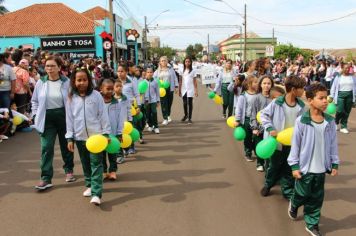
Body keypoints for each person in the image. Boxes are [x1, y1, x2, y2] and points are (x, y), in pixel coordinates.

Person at [287, 83, 339, 236]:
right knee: (302, 194)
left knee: (316, 198)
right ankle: (294, 203)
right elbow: (295, 145)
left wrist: (334, 162)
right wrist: (294, 166)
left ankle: (312, 224)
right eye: (321, 98)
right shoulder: (301, 121)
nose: (325, 101)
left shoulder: (330, 122)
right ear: (310, 100)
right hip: (305, 168)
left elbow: (333, 145)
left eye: (326, 98)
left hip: (321, 169)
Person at [66, 68, 111, 206]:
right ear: (74, 81)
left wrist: (105, 133)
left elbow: (103, 115)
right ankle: (90, 185)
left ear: (89, 81)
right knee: (85, 163)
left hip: (96, 137)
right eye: (79, 80)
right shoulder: (70, 97)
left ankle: (97, 193)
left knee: (96, 164)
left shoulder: (96, 95)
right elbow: (69, 118)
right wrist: (70, 137)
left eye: (85, 80)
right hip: (80, 137)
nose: (82, 83)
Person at [31, 56, 75, 191]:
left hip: (63, 116)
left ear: (59, 67)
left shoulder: (67, 82)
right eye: (47, 66)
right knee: (46, 147)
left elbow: (72, 100)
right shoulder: (41, 82)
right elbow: (35, 101)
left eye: (52, 66)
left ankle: (69, 170)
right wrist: (34, 114)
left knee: (66, 145)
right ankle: (45, 178)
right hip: (47, 118)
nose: (49, 69)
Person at [260, 75, 306, 200]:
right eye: (301, 88)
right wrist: (270, 128)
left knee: (288, 167)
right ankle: (268, 184)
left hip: (292, 143)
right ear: (293, 89)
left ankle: (287, 190)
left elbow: (304, 124)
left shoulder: (301, 106)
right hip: (277, 143)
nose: (303, 91)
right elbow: (264, 115)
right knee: (274, 166)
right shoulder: (277, 102)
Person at [100, 78, 130, 180]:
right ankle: (104, 171)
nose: (110, 91)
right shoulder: (98, 102)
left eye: (111, 89)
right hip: (101, 134)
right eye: (107, 89)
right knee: (102, 155)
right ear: (101, 89)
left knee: (112, 153)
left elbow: (120, 119)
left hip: (113, 134)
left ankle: (112, 171)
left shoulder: (116, 103)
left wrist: (119, 133)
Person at [250, 75, 275, 172]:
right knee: (259, 145)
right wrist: (254, 127)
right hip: (259, 128)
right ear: (260, 85)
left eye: (269, 83)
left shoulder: (274, 98)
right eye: (264, 83)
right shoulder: (256, 98)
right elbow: (253, 114)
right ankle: (259, 163)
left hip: (270, 128)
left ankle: (269, 165)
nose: (266, 86)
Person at [117, 64, 141, 154]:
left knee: (130, 127)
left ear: (126, 72)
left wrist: (138, 106)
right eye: (118, 71)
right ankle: (123, 148)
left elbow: (137, 94)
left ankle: (131, 146)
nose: (119, 73)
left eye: (122, 71)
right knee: (120, 129)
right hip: (117, 109)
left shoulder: (131, 81)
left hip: (130, 109)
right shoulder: (115, 82)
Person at [234, 75, 259, 162]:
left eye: (257, 82)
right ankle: (248, 153)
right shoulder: (243, 96)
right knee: (247, 138)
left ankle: (256, 150)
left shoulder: (259, 95)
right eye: (255, 82)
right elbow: (239, 108)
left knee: (256, 137)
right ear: (249, 84)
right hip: (247, 120)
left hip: (256, 121)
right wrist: (237, 120)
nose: (257, 84)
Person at [330, 62, 356, 134]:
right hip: (340, 95)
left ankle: (343, 127)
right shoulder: (338, 77)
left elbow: (355, 87)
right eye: (346, 68)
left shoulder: (353, 77)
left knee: (347, 112)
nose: (347, 69)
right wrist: (332, 96)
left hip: (350, 95)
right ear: (342, 68)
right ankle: (336, 122)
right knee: (340, 110)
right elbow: (333, 87)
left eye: (348, 68)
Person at [153, 56, 179, 125]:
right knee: (164, 104)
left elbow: (175, 78)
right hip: (161, 89)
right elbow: (153, 79)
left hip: (170, 88)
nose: (163, 62)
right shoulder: (157, 71)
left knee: (169, 103)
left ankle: (168, 115)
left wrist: (176, 86)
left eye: (165, 60)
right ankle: (165, 118)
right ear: (160, 62)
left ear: (167, 62)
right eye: (162, 61)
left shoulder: (171, 70)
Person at [113, 79, 132, 164]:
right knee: (117, 139)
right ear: (113, 88)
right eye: (117, 86)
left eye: (120, 86)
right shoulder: (111, 98)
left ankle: (126, 149)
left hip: (124, 122)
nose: (119, 88)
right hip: (114, 123)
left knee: (125, 138)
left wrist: (130, 119)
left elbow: (129, 109)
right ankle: (119, 155)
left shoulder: (125, 98)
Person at [179, 57, 198, 124]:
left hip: (191, 89)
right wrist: (179, 90)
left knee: (190, 103)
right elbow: (180, 80)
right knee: (184, 103)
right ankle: (186, 115)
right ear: (184, 62)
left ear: (190, 63)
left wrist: (196, 90)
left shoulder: (193, 70)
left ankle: (189, 118)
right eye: (186, 61)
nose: (187, 63)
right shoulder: (181, 70)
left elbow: (195, 81)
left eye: (188, 61)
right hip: (183, 89)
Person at [145, 67, 160, 134]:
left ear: (153, 73)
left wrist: (158, 101)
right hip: (146, 101)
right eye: (148, 72)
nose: (149, 73)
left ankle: (156, 127)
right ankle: (150, 125)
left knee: (154, 113)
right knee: (147, 114)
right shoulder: (143, 82)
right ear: (146, 73)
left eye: (151, 72)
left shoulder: (155, 81)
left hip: (153, 100)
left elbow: (157, 92)